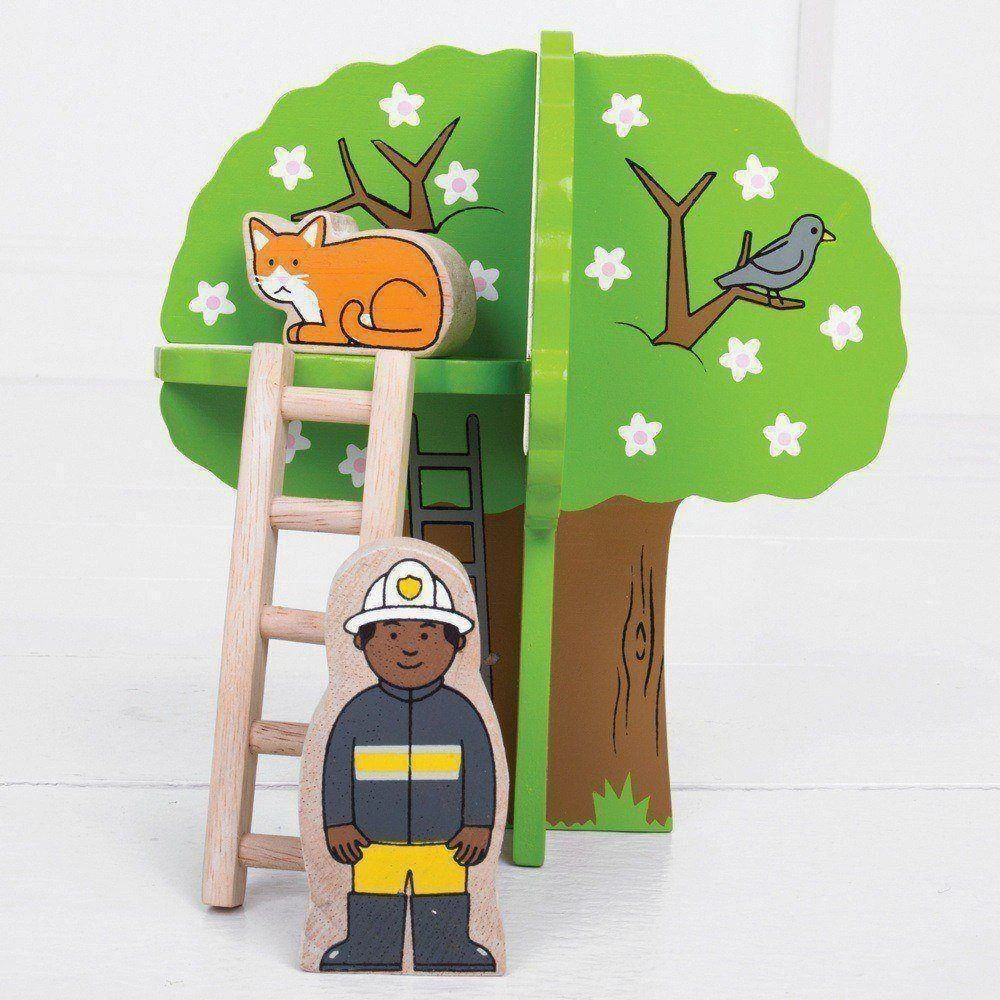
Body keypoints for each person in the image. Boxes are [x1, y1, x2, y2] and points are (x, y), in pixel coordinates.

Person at [319, 557, 497, 973]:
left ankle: (450, 948)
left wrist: (478, 823)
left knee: (444, 893)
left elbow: (482, 771)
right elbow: (334, 771)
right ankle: (367, 947)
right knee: (373, 893)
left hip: (446, 839)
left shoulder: (462, 713)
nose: (410, 647)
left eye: (427, 633)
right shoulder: (356, 713)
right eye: (393, 633)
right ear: (362, 642)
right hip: (373, 839)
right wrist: (338, 823)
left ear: (456, 643)